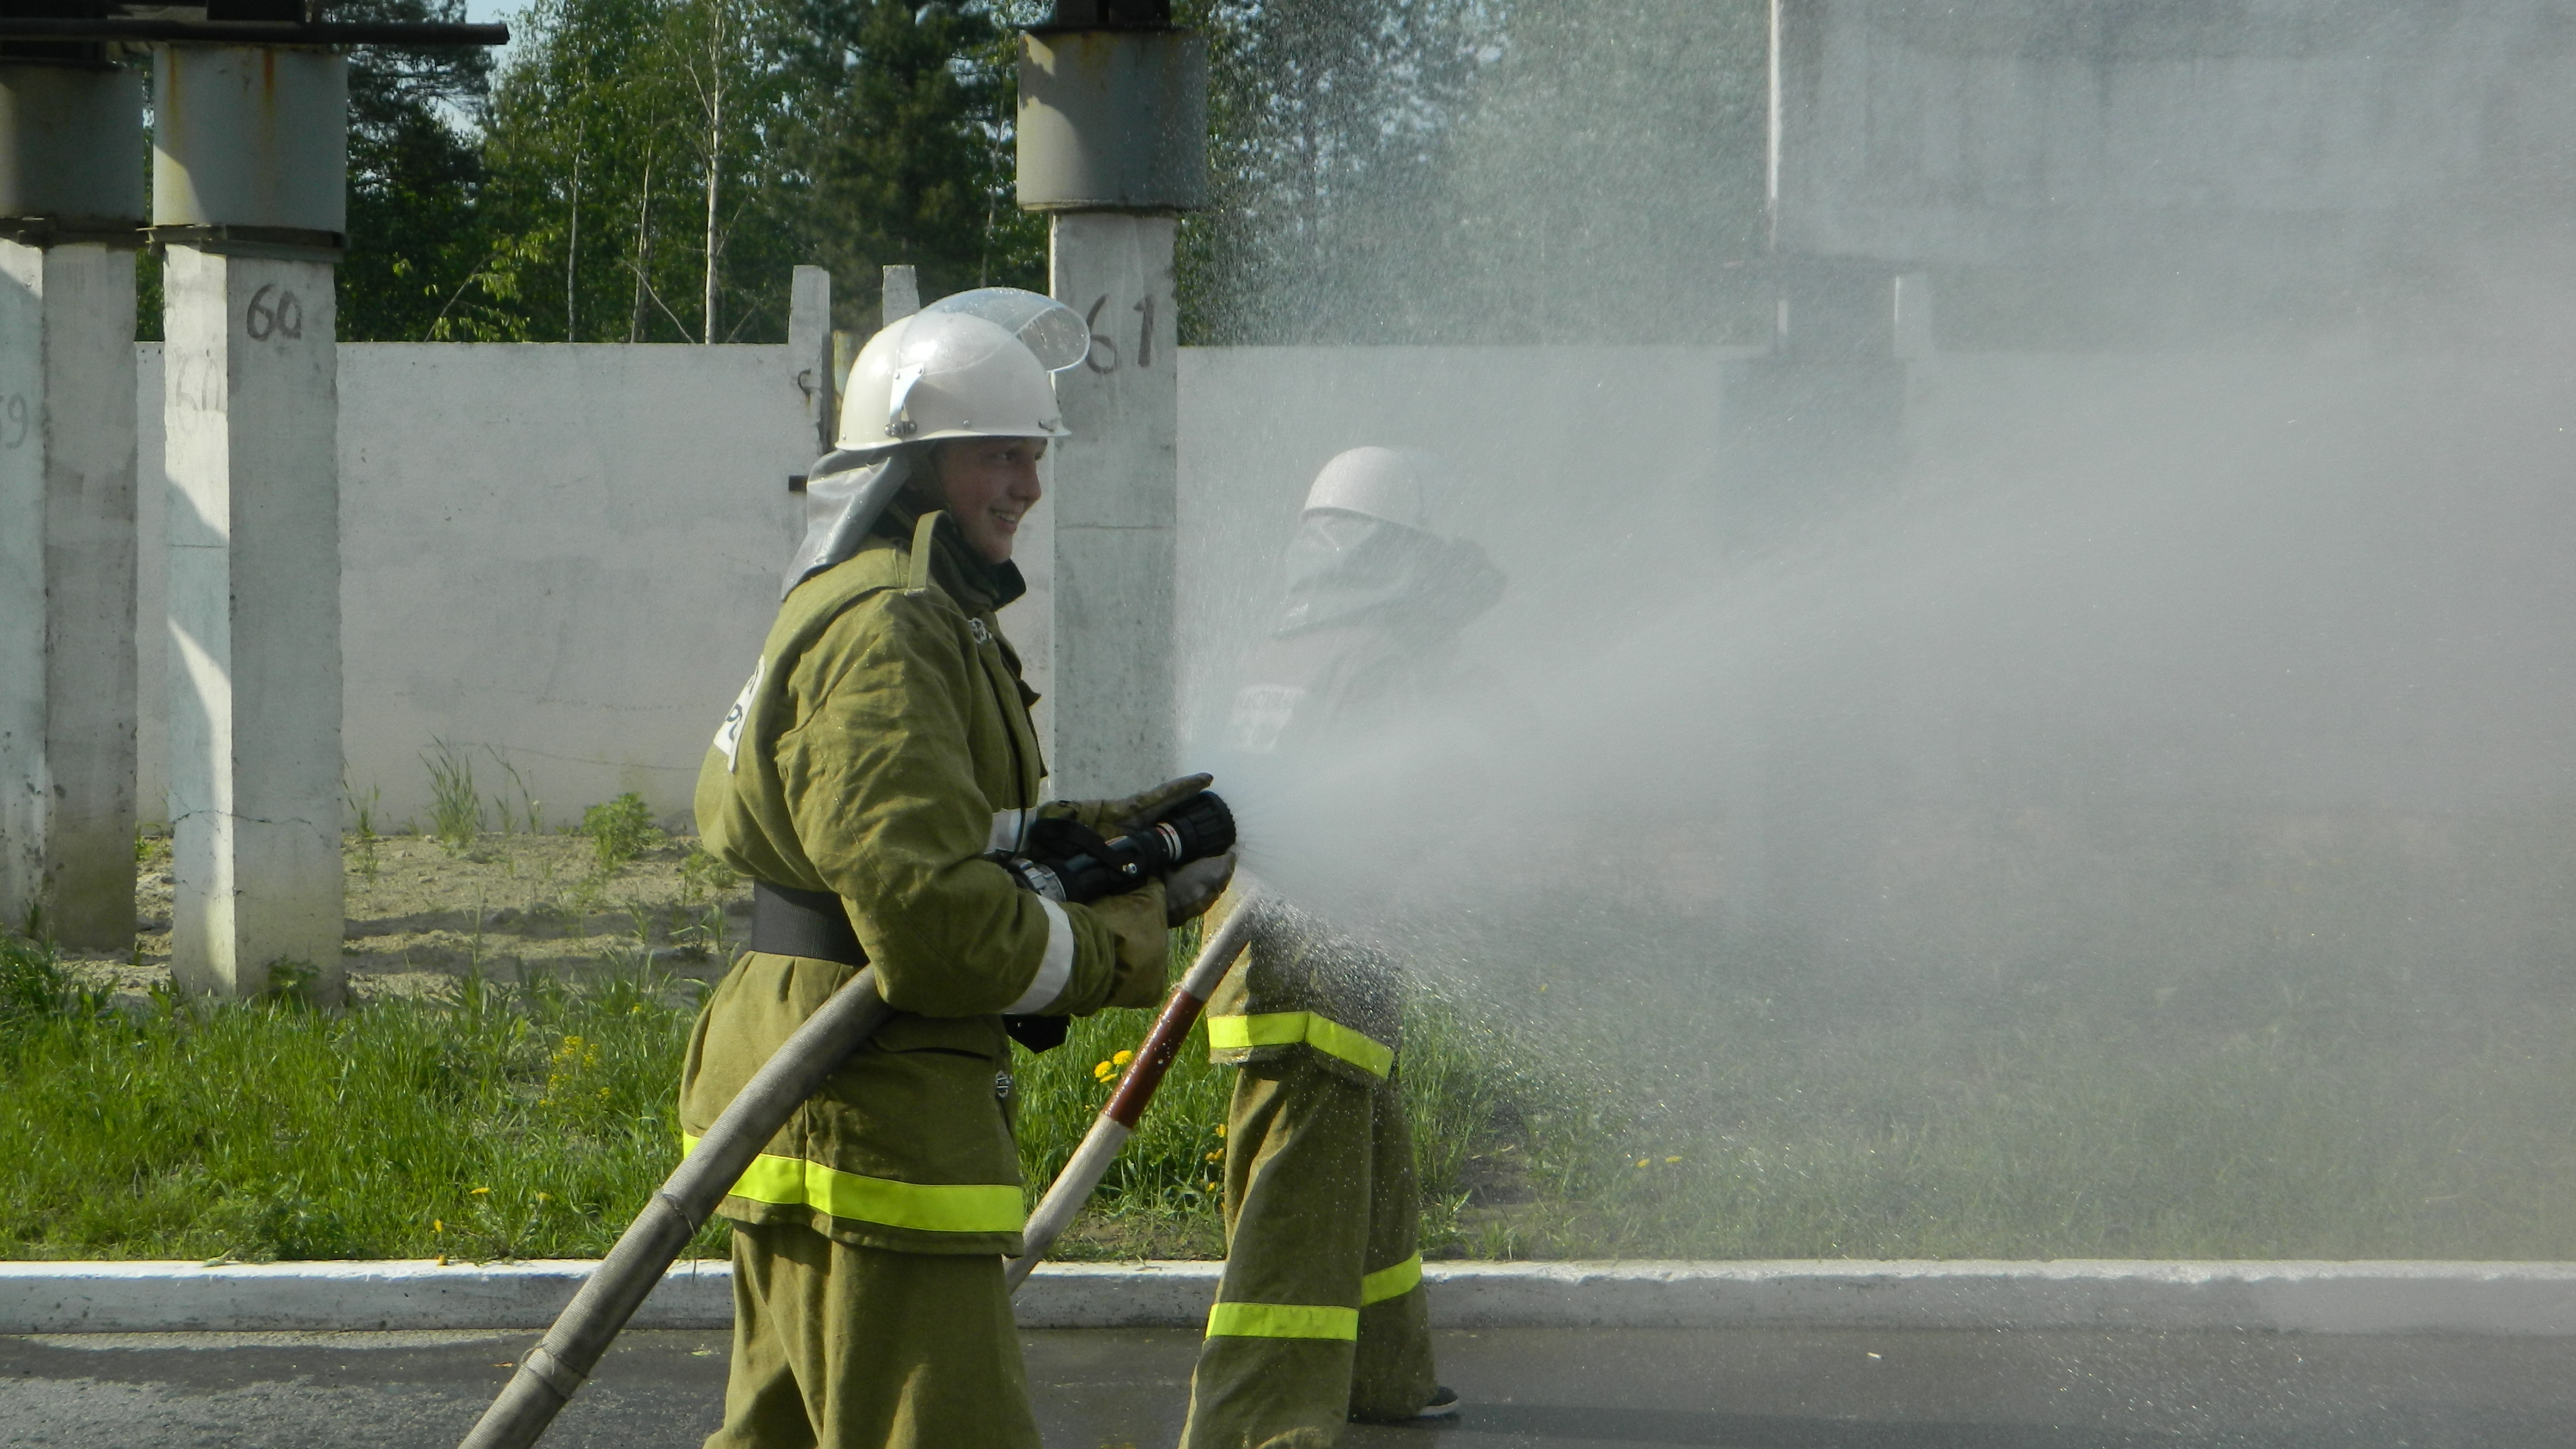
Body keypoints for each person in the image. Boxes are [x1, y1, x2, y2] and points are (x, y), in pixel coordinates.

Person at [681, 290, 1231, 1449]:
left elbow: (928, 830)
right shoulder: (891, 626)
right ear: (914, 464)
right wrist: (1121, 936)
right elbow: (927, 919)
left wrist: (1095, 842)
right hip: (869, 1109)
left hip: (814, 1077)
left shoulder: (906, 605)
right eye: (999, 455)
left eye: (1035, 455)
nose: (1028, 483)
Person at [1180, 446, 1504, 1448]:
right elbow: (1408, 808)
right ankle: (1259, 1417)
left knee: (1367, 1164)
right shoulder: (1377, 657)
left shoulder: (1284, 649)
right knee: (1300, 1193)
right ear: (1398, 551)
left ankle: (1385, 1371)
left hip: (1265, 949)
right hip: (1326, 955)